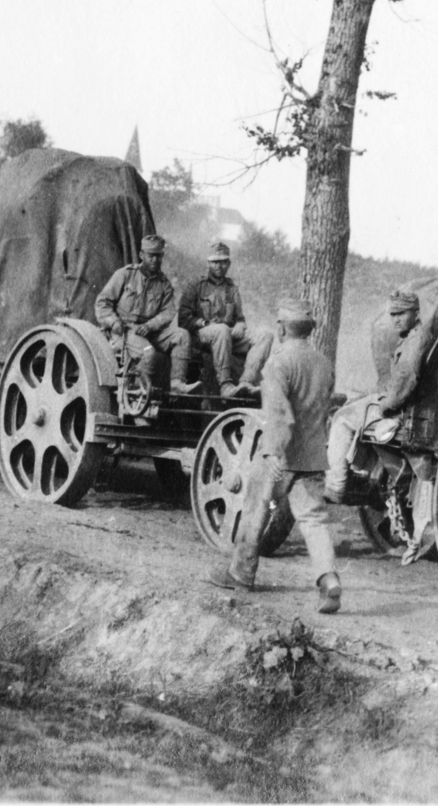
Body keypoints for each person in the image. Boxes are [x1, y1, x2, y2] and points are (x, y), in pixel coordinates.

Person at [205, 299, 341, 614]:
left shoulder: (278, 363)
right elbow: (319, 409)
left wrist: (275, 454)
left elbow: (281, 416)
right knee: (313, 520)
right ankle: (329, 579)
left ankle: (240, 573)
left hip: (281, 455)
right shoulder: (323, 364)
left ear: (281, 328)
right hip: (313, 455)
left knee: (256, 509)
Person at [325, 290, 433, 562]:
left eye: (402, 314)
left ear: (415, 313)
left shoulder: (415, 342)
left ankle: (336, 486)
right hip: (409, 406)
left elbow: (405, 383)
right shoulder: (418, 337)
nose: (396, 319)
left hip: (400, 410)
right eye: (393, 314)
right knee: (355, 401)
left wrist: (383, 405)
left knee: (341, 419)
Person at [94, 234, 195, 393]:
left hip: (150, 331)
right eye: (151, 255)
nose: (155, 260)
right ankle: (137, 388)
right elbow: (102, 302)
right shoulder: (125, 275)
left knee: (182, 335)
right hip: (125, 331)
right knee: (148, 353)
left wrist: (150, 325)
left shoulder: (164, 284)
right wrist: (113, 322)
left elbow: (168, 312)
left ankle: (177, 384)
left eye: (159, 256)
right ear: (142, 255)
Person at [177, 241, 253, 397]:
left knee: (264, 335)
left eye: (224, 262)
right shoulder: (196, 286)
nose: (219, 266)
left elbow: (240, 318)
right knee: (222, 330)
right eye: (215, 262)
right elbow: (183, 319)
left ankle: (247, 381)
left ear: (229, 263)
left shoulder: (232, 288)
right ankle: (225, 384)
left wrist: (240, 324)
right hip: (200, 337)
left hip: (227, 337)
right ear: (208, 263)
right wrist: (204, 323)